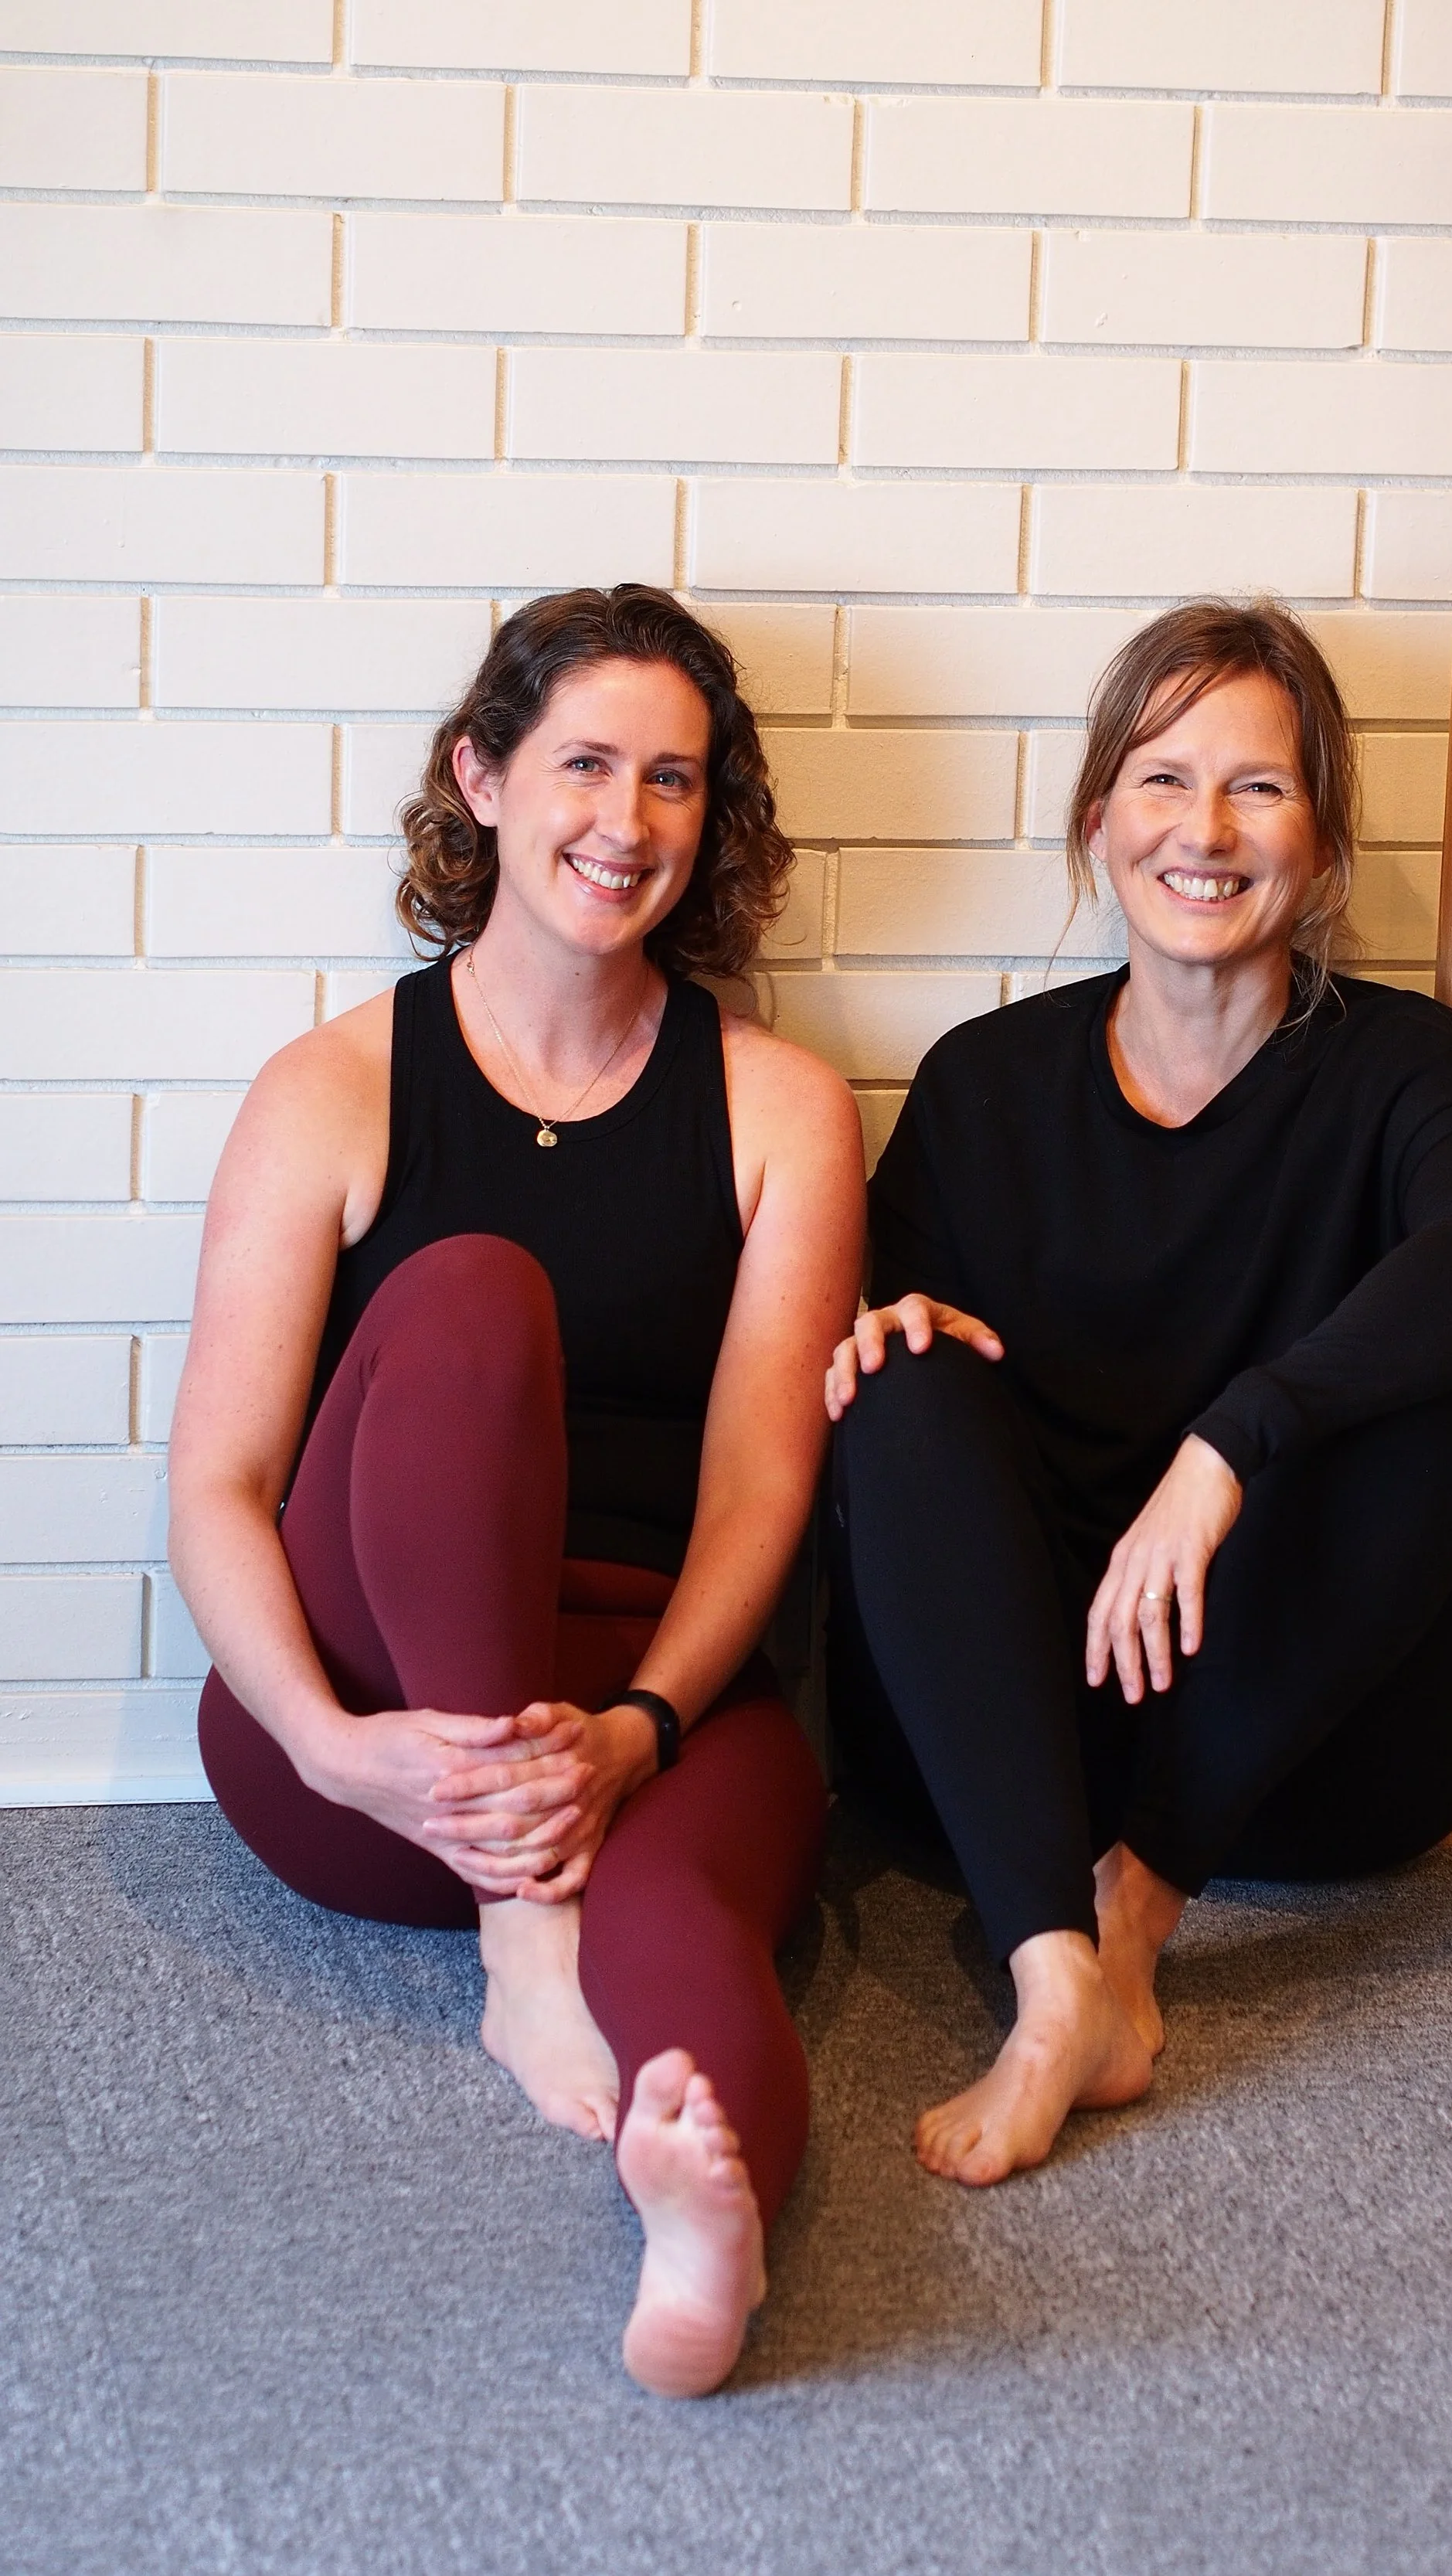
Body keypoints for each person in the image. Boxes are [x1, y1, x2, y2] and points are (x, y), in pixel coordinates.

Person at [170, 586, 864, 2396]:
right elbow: (220, 1487)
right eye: (579, 764)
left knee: (700, 1937)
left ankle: (709, 2241)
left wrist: (638, 1726)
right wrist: (330, 1741)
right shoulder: (329, 1088)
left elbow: (757, 1486)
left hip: (653, 1705)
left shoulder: (782, 1106)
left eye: (672, 780)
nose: (621, 821)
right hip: (368, 1742)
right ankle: (516, 1931)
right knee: (475, 1286)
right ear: (479, 777)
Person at [824, 599, 1452, 2190]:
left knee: (1432, 1389)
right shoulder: (984, 1083)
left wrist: (1234, 1438)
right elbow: (874, 1397)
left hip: (1299, 1761)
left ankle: (1136, 1915)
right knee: (897, 1377)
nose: (1203, 831)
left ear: (1322, 843)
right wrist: (888, 1330)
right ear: (1098, 825)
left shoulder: (1407, 1068)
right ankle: (1050, 1978)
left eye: (1259, 788)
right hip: (1011, 1757)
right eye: (1160, 781)